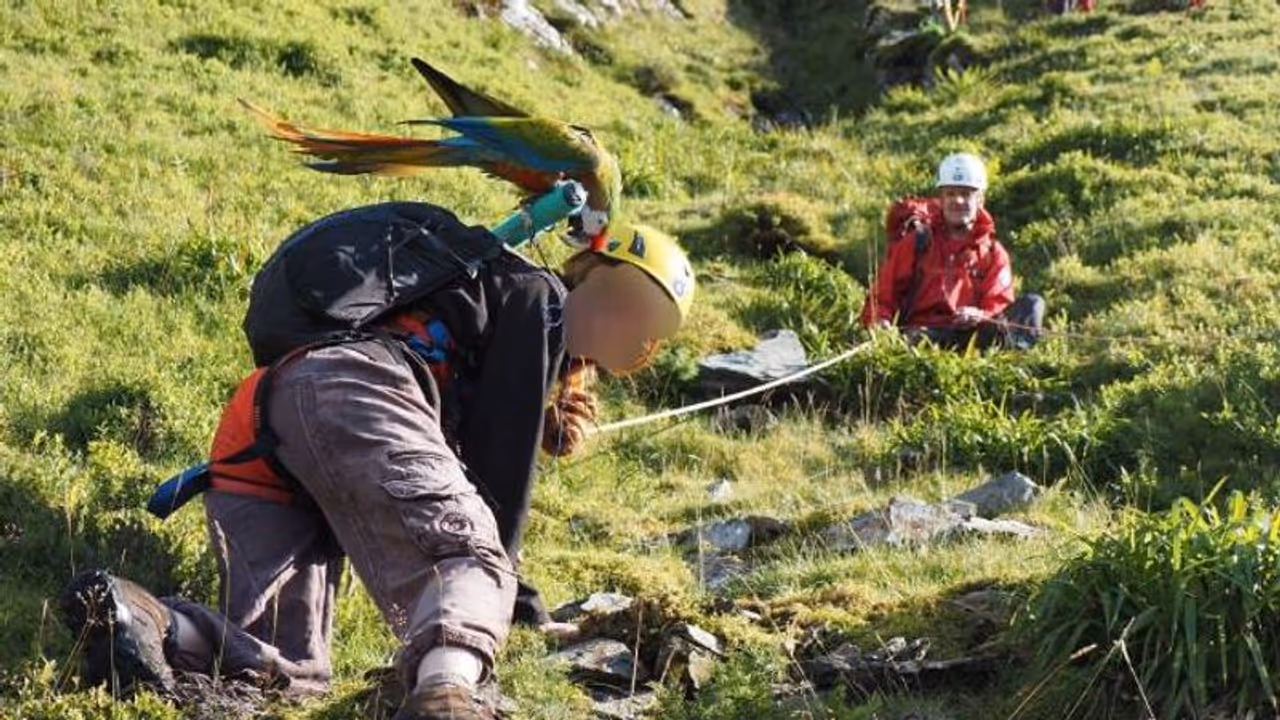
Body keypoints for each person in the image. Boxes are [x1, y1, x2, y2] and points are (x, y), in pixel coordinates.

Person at [59, 203, 696, 720]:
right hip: (358, 393)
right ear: (592, 276)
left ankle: (146, 621)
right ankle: (448, 698)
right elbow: (499, 476)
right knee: (470, 559)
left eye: (649, 335)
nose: (632, 332)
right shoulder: (539, 298)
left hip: (264, 425)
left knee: (292, 675)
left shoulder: (495, 299)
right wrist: (520, 606)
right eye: (632, 310)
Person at [860, 153, 1044, 350]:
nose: (957, 200)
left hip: (972, 338)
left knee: (1033, 304)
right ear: (941, 198)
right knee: (918, 337)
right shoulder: (916, 243)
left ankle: (1012, 357)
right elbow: (883, 296)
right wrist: (881, 322)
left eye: (966, 194)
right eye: (950, 193)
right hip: (922, 335)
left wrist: (979, 315)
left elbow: (998, 304)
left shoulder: (993, 253)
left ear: (980, 199)